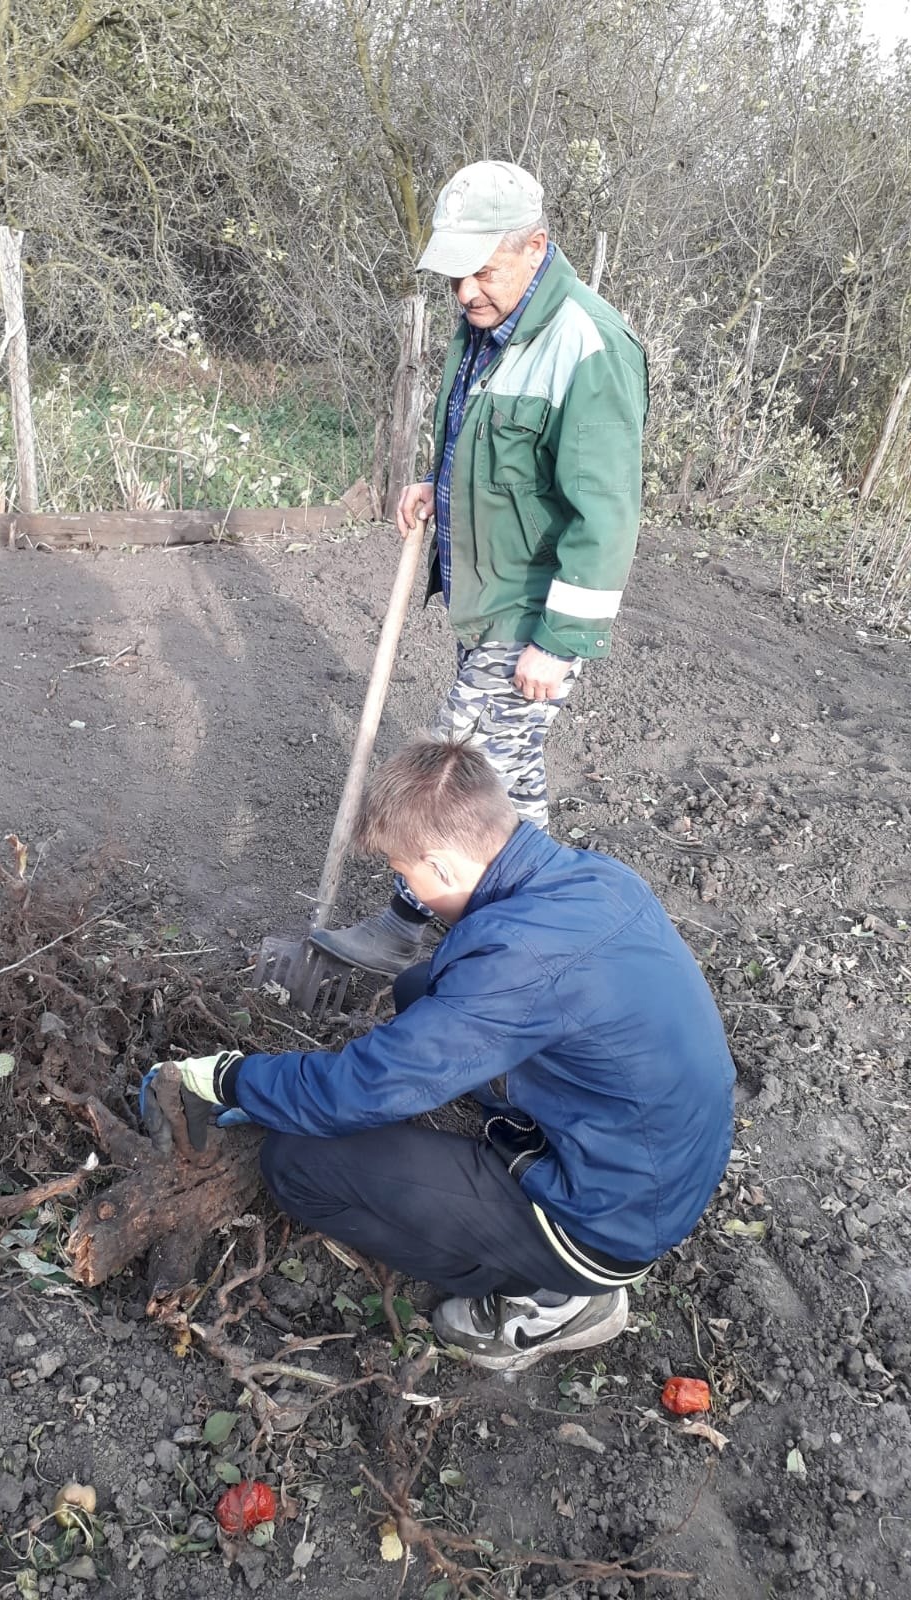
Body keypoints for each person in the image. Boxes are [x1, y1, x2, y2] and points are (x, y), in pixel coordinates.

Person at [156, 739, 734, 1375]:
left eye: (406, 875)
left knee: (296, 1162)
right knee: (418, 987)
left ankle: (551, 1300)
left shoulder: (518, 962)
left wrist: (233, 1078)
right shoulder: (588, 877)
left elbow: (360, 1090)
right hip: (657, 1154)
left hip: (605, 1219)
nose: (409, 891)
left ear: (445, 866)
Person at [311, 160, 649, 979]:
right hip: (482, 596)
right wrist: (441, 484)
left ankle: (406, 925)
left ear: (535, 246)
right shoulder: (491, 325)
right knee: (510, 780)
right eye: (455, 273)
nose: (464, 291)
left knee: (450, 773)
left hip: (526, 613)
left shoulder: (589, 344)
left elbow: (605, 515)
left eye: (482, 269)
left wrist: (559, 640)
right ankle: (547, 940)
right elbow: (500, 456)